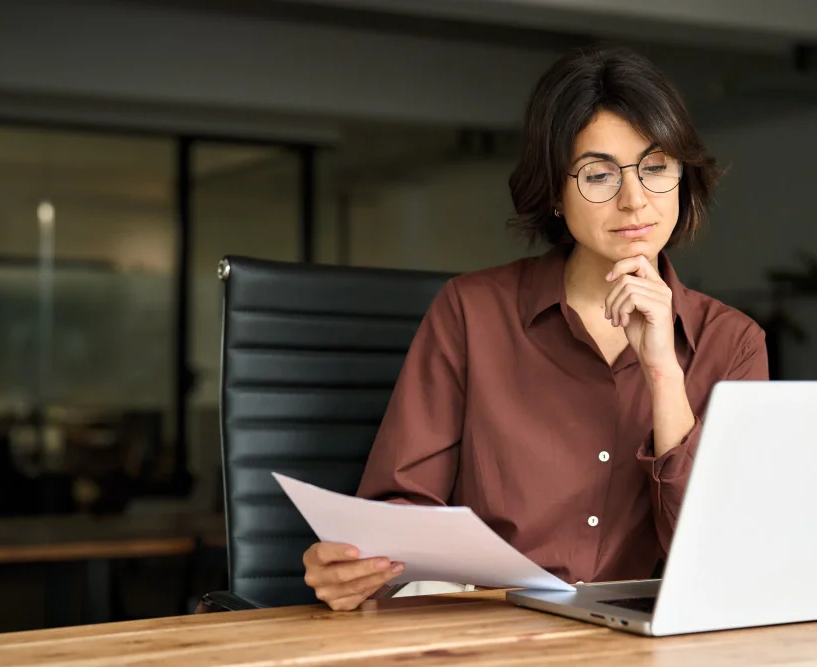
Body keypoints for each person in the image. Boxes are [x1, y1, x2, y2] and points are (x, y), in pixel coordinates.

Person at [303, 44, 768, 611]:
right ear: (553, 190)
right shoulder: (471, 312)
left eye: (656, 168)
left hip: (640, 642)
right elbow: (404, 507)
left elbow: (724, 556)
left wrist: (664, 374)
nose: (634, 200)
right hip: (488, 632)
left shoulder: (734, 343)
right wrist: (359, 565)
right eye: (598, 174)